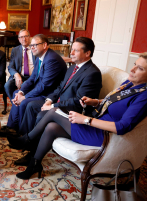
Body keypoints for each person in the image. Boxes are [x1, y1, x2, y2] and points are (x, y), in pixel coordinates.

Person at [15, 53, 147, 180]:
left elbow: (122, 126)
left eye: (140, 68)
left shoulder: (144, 96)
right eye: (135, 64)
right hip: (97, 123)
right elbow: (112, 101)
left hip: (106, 135)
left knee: (53, 111)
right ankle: (35, 164)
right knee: (51, 127)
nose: (132, 69)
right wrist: (95, 101)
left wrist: (86, 120)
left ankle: (27, 139)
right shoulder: (131, 84)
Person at [9, 37, 102, 165]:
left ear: (87, 53)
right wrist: (49, 101)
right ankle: (28, 145)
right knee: (34, 108)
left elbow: (78, 102)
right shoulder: (73, 68)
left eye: (76, 50)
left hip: (73, 112)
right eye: (72, 50)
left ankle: (30, 147)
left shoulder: (93, 73)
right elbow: (60, 88)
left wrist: (53, 106)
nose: (71, 53)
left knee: (40, 114)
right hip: (58, 105)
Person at [0, 34, 67, 137]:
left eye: (35, 45)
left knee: (24, 102)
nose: (32, 48)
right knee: (16, 93)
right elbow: (32, 78)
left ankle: (22, 134)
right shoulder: (40, 57)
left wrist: (25, 97)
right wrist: (21, 92)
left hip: (50, 94)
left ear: (44, 45)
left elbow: (45, 85)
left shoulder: (52, 59)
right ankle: (12, 127)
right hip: (41, 88)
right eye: (31, 45)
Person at [4, 29, 35, 101]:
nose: (24, 39)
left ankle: (24, 102)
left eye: (26, 36)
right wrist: (16, 74)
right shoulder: (15, 50)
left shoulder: (35, 48)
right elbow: (11, 66)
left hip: (32, 76)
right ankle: (16, 103)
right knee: (7, 85)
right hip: (20, 76)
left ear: (29, 37)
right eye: (21, 37)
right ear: (19, 39)